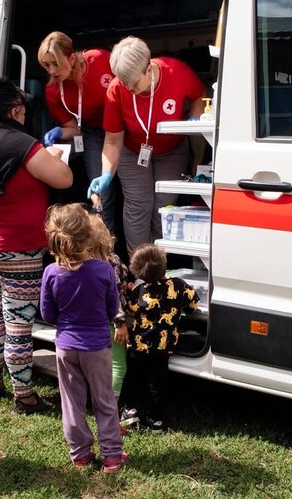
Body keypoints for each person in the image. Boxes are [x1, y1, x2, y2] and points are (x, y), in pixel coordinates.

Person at [0, 77, 73, 415]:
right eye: (21, 111)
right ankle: (25, 396)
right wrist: (55, 155)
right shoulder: (23, 145)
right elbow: (64, 179)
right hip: (19, 250)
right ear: (15, 111)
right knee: (19, 325)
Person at [88, 36, 206, 255]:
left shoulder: (176, 72)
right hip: (133, 151)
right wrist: (106, 173)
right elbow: (113, 140)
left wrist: (195, 117)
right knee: (138, 204)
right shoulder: (116, 89)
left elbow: (199, 95)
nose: (129, 87)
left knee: (164, 205)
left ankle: (159, 262)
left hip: (172, 149)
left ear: (148, 69)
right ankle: (139, 264)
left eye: (134, 82)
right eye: (124, 81)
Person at [39, 203, 129, 473]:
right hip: (97, 346)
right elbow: (112, 309)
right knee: (104, 400)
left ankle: (80, 455)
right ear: (89, 235)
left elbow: (47, 313)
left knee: (71, 402)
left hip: (66, 346)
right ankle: (112, 456)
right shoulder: (103, 269)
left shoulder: (50, 272)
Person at [38, 32, 117, 232]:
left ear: (72, 58)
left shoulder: (100, 60)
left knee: (133, 192)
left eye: (55, 63)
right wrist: (59, 132)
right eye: (46, 65)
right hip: (93, 134)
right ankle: (105, 246)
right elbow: (74, 128)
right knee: (101, 193)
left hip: (122, 131)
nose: (52, 71)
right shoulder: (53, 90)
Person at [119, 243, 199, 433]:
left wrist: (131, 290)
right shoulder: (178, 285)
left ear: (138, 273)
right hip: (163, 348)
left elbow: (129, 310)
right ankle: (156, 420)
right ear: (164, 263)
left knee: (132, 378)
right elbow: (193, 305)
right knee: (157, 384)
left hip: (138, 346)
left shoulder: (139, 291)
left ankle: (130, 411)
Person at [86, 203, 130, 407]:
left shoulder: (81, 262)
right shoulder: (111, 262)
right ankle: (110, 404)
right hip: (111, 321)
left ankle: (94, 397)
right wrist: (120, 323)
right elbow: (115, 295)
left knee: (95, 363)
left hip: (90, 320)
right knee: (117, 364)